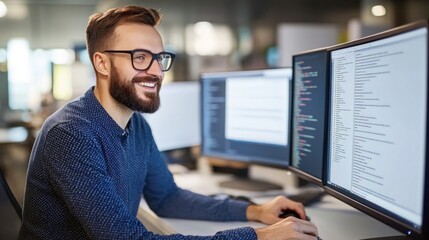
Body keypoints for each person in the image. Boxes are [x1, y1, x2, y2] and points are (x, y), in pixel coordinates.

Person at [19, 5, 319, 240]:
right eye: (139, 57)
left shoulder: (135, 125)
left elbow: (168, 199)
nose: (156, 71)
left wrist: (256, 211)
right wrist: (257, 237)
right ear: (101, 64)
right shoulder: (72, 132)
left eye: (159, 58)